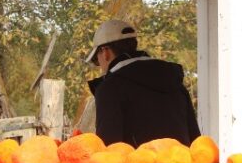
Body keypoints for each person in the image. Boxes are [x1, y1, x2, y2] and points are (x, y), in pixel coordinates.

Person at [86, 18, 201, 147]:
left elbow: (109, 148)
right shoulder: (174, 80)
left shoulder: (109, 89)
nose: (99, 65)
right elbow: (195, 141)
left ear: (105, 52)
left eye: (97, 59)